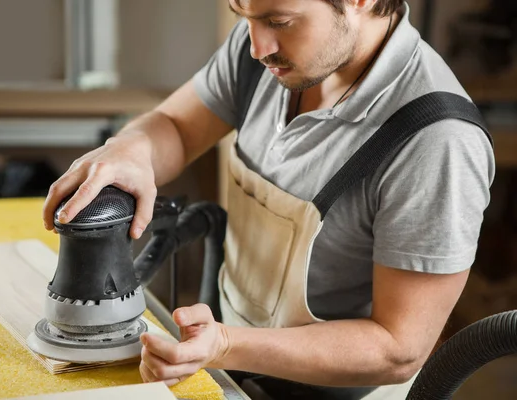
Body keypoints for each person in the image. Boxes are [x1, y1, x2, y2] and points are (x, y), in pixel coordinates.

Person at [42, 0, 495, 398]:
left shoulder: (438, 141)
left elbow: (397, 349)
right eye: (245, 15)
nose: (257, 46)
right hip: (228, 364)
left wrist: (225, 345)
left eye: (280, 20)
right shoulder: (259, 47)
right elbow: (177, 127)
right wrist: (131, 151)